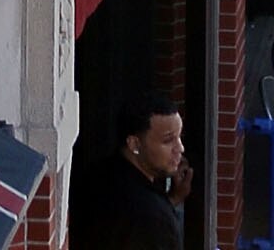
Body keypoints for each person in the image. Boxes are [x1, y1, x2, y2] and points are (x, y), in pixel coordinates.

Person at [75, 95, 191, 250]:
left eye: (179, 137)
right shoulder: (154, 218)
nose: (180, 148)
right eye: (168, 140)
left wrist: (173, 198)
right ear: (135, 144)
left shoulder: (98, 175)